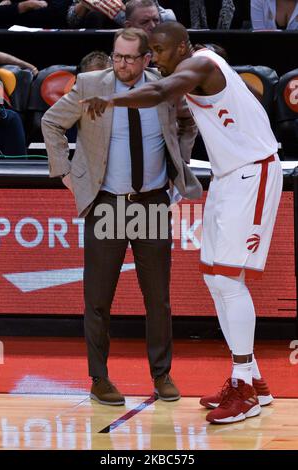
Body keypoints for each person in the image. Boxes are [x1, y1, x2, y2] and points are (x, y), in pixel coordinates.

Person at [81, 21, 283, 423]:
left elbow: (158, 91)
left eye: (160, 49)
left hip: (253, 172)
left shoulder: (200, 65)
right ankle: (253, 380)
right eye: (150, 50)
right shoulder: (187, 68)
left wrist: (112, 100)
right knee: (214, 278)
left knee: (227, 279)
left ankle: (242, 385)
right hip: (227, 176)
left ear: (183, 47)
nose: (155, 57)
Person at [42, 27, 201, 406]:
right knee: (97, 298)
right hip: (107, 203)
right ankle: (99, 378)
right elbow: (51, 122)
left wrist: (178, 166)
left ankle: (161, 374)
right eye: (117, 56)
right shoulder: (89, 84)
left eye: (131, 57)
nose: (122, 64)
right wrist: (65, 173)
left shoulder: (163, 87)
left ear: (147, 59)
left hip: (151, 202)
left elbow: (187, 122)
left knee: (157, 298)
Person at [67, 0, 175, 30]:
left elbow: (157, 20)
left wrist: (118, 11)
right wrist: (85, 3)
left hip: (135, 38)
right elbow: (71, 21)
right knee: (95, 15)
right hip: (98, 40)